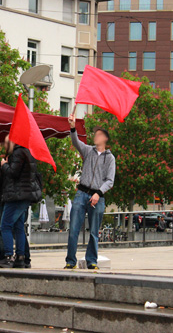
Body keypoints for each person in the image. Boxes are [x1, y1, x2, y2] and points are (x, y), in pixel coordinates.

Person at [65, 116, 116, 270]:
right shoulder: (88, 151)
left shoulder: (110, 158)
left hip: (97, 197)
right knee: (73, 229)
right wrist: (72, 127)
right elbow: (75, 142)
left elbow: (110, 180)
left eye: (99, 134)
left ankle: (92, 261)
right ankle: (70, 261)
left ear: (105, 139)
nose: (95, 136)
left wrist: (98, 193)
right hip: (81, 193)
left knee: (94, 231)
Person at [0, 135, 41, 269]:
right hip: (24, 196)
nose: (4, 145)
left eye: (6, 142)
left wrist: (4, 165)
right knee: (19, 227)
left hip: (16, 196)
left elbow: (13, 173)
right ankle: (20, 258)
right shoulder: (27, 152)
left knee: (5, 226)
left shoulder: (18, 152)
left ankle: (8, 257)